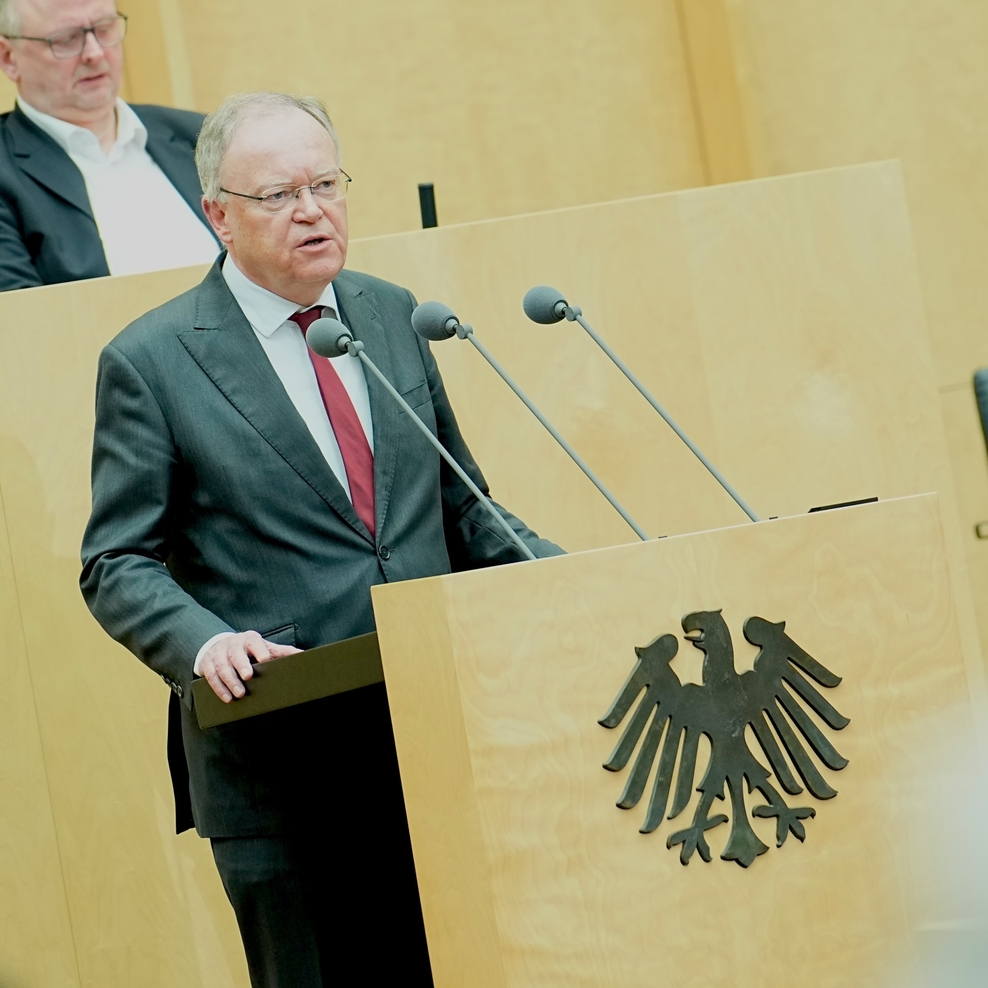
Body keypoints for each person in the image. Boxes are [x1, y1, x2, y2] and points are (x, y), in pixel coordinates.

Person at [80, 90, 563, 988]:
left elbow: (460, 506)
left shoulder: (389, 313)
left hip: (435, 737)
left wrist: (576, 581)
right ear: (217, 215)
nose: (312, 210)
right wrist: (203, 642)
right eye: (278, 195)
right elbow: (115, 563)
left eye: (326, 183)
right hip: (283, 771)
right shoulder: (152, 362)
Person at [0, 0, 219, 291]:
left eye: (104, 29)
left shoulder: (203, 136)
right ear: (8, 58)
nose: (94, 52)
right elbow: (22, 319)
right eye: (66, 39)